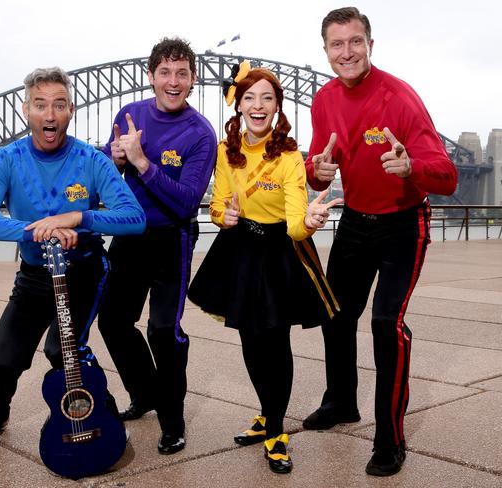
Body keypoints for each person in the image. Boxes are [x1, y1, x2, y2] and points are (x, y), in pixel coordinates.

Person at [0, 67, 146, 442]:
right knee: (0, 363)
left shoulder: (91, 160)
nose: (50, 115)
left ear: (71, 110)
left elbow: (134, 218)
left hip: (84, 271)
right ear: (26, 110)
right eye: (40, 105)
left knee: (63, 351)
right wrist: (36, 229)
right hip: (35, 274)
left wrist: (79, 218)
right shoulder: (8, 159)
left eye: (58, 105)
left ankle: (99, 410)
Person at [303, 7, 458, 477]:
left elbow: (447, 177)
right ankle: (341, 402)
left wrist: (412, 167)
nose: (346, 52)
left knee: (386, 322)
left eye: (355, 42)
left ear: (371, 44)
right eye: (336, 44)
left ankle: (390, 437)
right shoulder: (324, 99)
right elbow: (316, 163)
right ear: (325, 50)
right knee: (335, 312)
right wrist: (318, 172)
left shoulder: (401, 98)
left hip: (403, 223)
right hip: (355, 221)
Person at [188, 63, 340, 474]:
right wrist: (225, 216)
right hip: (239, 249)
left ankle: (275, 430)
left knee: (276, 342)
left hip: (280, 252)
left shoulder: (289, 155)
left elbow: (294, 221)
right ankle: (266, 412)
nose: (258, 106)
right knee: (251, 341)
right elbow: (217, 204)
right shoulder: (226, 150)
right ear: (238, 105)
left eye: (266, 98)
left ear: (276, 107)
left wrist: (308, 222)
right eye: (249, 97)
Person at [97, 37, 217, 455]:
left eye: (181, 73)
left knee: (163, 332)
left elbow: (186, 201)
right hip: (130, 235)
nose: (173, 80)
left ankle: (173, 421)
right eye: (164, 72)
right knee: (112, 321)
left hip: (174, 238)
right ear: (151, 77)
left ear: (192, 79)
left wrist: (143, 163)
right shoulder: (129, 115)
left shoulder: (201, 133)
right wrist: (113, 160)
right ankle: (145, 392)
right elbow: (106, 177)